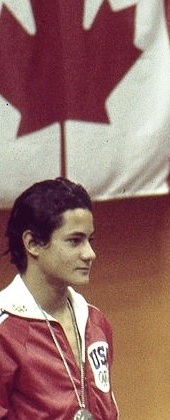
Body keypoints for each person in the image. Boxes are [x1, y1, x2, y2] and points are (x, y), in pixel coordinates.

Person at [0, 177, 118, 420]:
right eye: (75, 241)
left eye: (90, 240)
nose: (90, 253)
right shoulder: (5, 332)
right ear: (32, 243)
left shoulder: (95, 322)